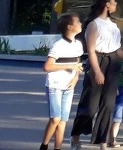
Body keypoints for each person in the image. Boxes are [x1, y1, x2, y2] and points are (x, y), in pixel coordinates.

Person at [82, 0, 123, 150]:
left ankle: (102, 142)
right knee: (90, 106)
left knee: (108, 105)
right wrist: (96, 71)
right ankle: (76, 135)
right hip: (98, 61)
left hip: (113, 63)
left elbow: (117, 49)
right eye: (114, 1)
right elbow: (90, 50)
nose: (116, 4)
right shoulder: (94, 24)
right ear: (106, 4)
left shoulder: (113, 25)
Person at [41, 14, 83, 150]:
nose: (81, 23)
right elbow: (47, 67)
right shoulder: (58, 46)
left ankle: (57, 147)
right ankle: (44, 145)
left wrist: (76, 77)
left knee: (63, 120)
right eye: (78, 22)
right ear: (70, 27)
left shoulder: (78, 44)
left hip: (68, 86)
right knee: (55, 119)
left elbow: (78, 63)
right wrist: (68, 66)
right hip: (55, 85)